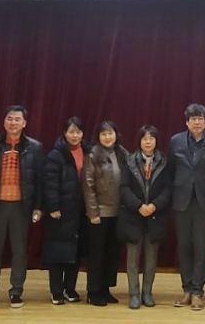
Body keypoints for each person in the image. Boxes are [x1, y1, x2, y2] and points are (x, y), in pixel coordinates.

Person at [0, 104, 43, 311]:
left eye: (17, 119)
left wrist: (38, 207)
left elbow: (40, 180)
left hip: (22, 206)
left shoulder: (35, 147)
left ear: (24, 123)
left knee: (19, 251)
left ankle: (16, 291)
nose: (13, 123)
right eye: (10, 118)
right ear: (4, 122)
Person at [168, 103, 205, 310]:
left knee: (201, 247)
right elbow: (171, 169)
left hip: (204, 200)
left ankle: (198, 292)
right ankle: (187, 290)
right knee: (184, 247)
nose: (197, 122)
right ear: (187, 122)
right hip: (181, 200)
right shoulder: (175, 141)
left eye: (200, 119)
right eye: (193, 119)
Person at [119, 125, 172, 309]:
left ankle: (147, 293)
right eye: (144, 138)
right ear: (139, 141)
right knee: (132, 259)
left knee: (151, 259)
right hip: (134, 215)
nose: (148, 142)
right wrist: (138, 206)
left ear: (156, 141)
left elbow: (168, 189)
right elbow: (124, 188)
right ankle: (134, 294)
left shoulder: (164, 162)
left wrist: (154, 206)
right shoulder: (130, 161)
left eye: (151, 138)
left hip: (155, 216)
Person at [42, 117, 88, 305]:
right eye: (71, 132)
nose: (74, 135)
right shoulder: (56, 154)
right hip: (61, 210)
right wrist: (53, 206)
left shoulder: (88, 151)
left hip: (80, 210)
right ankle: (56, 290)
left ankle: (70, 288)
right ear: (64, 133)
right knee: (57, 251)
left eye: (78, 132)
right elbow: (49, 182)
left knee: (74, 252)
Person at [83, 121, 129, 306]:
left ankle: (105, 289)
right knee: (97, 254)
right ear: (98, 137)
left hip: (119, 213)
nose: (108, 137)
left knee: (112, 253)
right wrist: (93, 212)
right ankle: (93, 292)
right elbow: (88, 186)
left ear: (116, 135)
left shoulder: (123, 153)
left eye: (110, 133)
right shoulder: (92, 155)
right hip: (99, 213)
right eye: (104, 134)